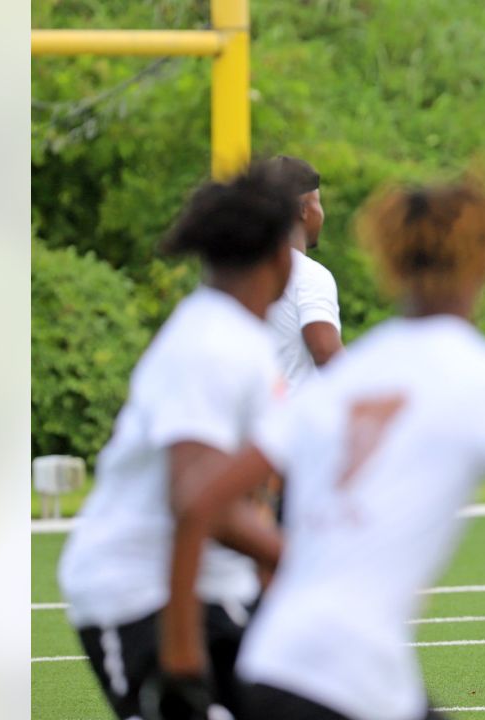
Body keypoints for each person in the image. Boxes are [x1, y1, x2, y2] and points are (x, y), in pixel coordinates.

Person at [155, 177, 485, 720]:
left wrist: (181, 661)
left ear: (387, 264)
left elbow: (199, 502)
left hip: (274, 660)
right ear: (483, 264)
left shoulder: (349, 375)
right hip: (349, 676)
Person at [56, 162, 298, 719]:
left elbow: (236, 499)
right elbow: (195, 496)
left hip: (216, 591)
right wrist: (301, 562)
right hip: (140, 594)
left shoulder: (238, 337)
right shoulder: (211, 343)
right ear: (282, 256)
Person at [265, 155, 343, 390]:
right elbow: (325, 352)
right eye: (318, 202)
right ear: (304, 210)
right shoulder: (308, 275)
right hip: (291, 420)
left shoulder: (241, 274)